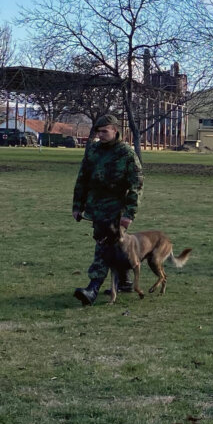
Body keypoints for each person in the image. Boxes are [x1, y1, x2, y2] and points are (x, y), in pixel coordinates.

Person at [72, 115, 144, 305]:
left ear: (115, 130)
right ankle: (125, 281)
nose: (100, 135)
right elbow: (83, 178)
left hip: (116, 210)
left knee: (104, 246)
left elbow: (136, 185)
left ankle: (93, 288)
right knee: (115, 246)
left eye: (105, 131)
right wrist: (77, 206)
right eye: (98, 131)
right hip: (96, 208)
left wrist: (129, 213)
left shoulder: (126, 153)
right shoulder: (93, 150)